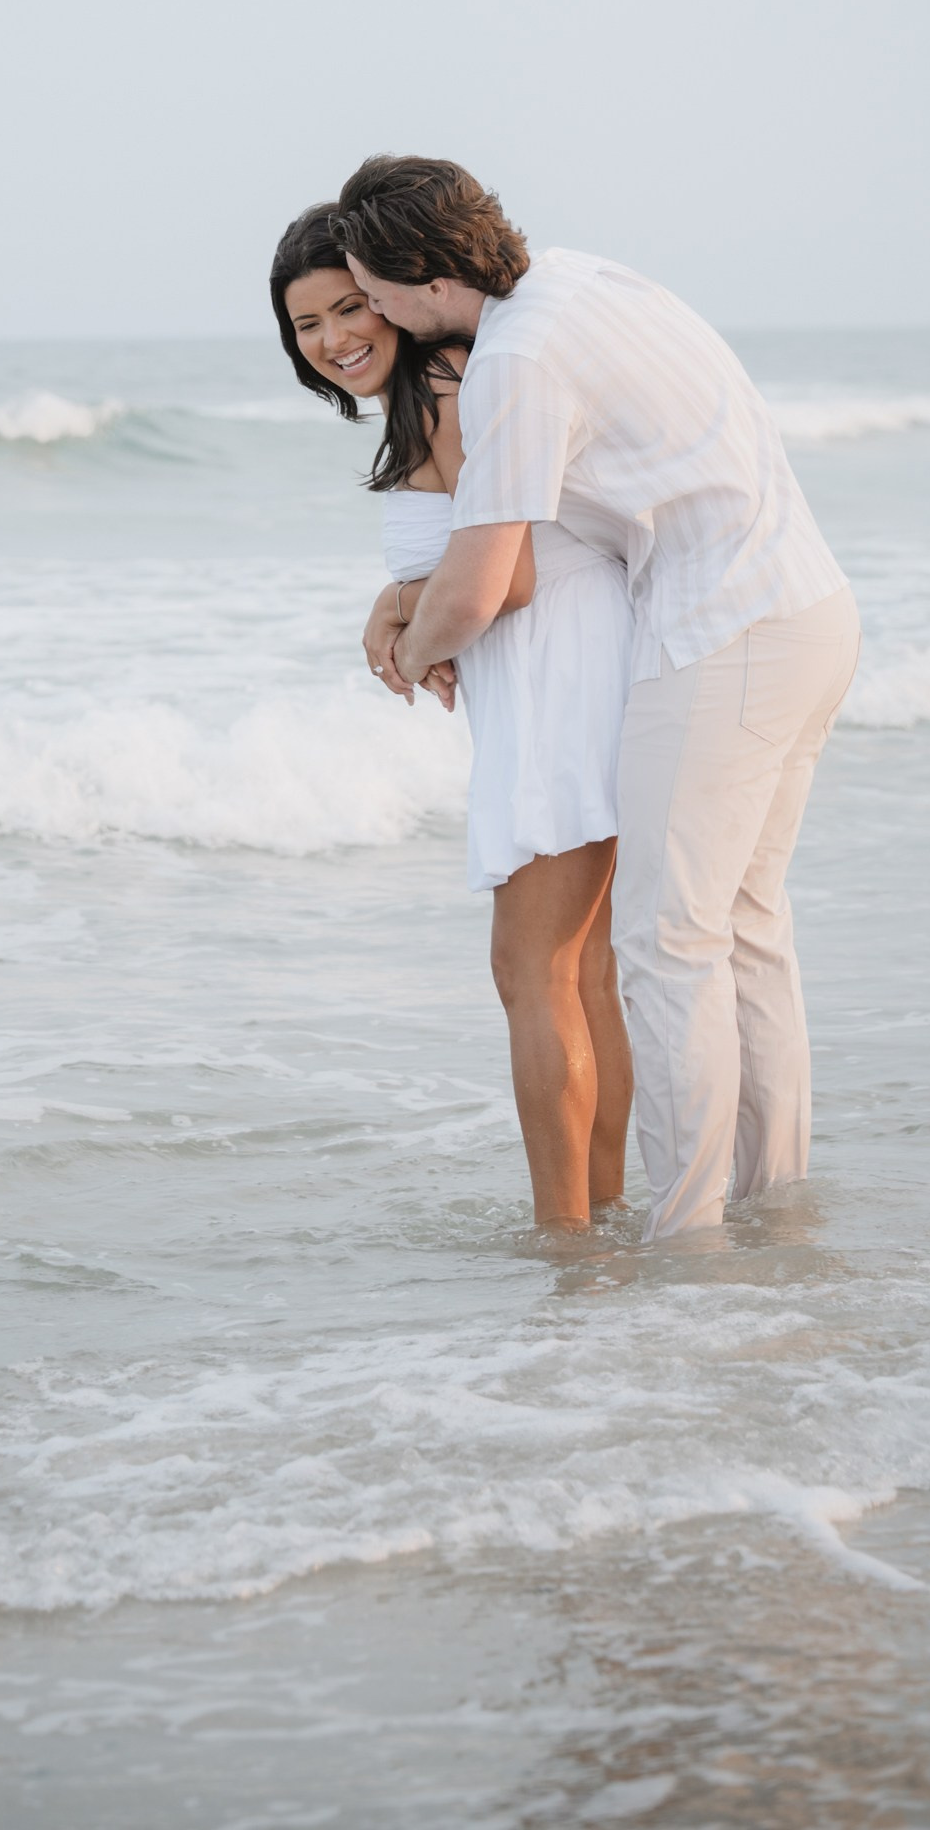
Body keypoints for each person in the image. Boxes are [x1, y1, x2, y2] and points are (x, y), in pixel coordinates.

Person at [332, 156, 859, 1246]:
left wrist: (407, 645)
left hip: (721, 632)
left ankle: (687, 1235)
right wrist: (409, 607)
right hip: (807, 604)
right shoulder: (575, 279)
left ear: (420, 275)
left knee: (669, 945)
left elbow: (484, 580)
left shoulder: (515, 360)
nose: (367, 314)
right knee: (745, 931)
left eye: (369, 290)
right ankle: (770, 1211)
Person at [270, 205, 633, 1231]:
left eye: (351, 306)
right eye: (306, 325)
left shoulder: (439, 384)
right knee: (578, 968)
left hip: (554, 669)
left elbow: (506, 578)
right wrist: (401, 605)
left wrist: (413, 638)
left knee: (530, 969)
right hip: (568, 662)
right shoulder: (438, 387)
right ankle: (597, 1219)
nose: (335, 337)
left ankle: (564, 1242)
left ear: (393, 294)